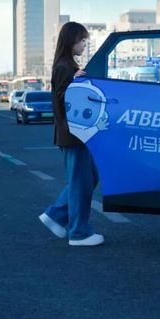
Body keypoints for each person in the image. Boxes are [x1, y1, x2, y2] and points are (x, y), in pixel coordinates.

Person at [38, 22, 104, 247]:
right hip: (72, 134)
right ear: (70, 41)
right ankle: (78, 233)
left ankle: (56, 215)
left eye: (85, 40)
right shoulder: (64, 67)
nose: (85, 44)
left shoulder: (69, 65)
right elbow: (61, 101)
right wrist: (75, 82)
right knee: (80, 182)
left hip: (77, 134)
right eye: (81, 40)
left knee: (89, 177)